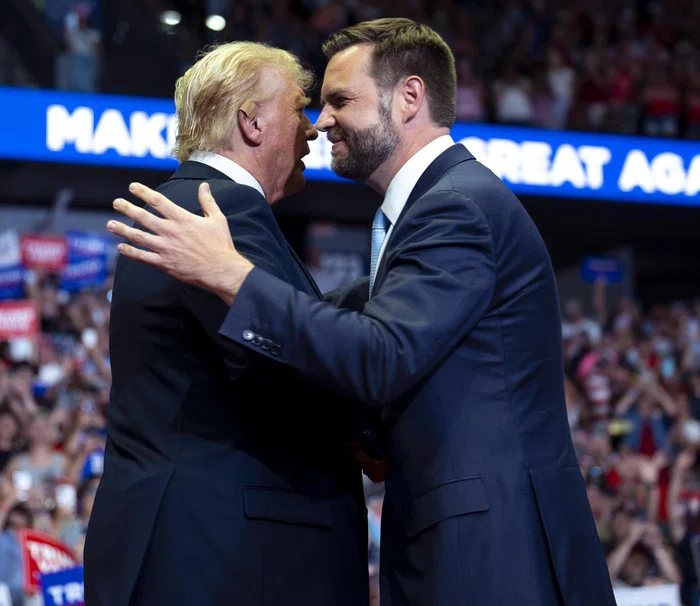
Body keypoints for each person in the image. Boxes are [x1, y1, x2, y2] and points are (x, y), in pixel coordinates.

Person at [107, 18, 617, 606]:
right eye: (311, 105)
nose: (320, 123)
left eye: (338, 101)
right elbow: (350, 337)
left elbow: (380, 351)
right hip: (458, 547)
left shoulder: (455, 208)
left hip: (493, 553)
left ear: (409, 98)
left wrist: (233, 276)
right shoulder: (432, 211)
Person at [84, 42, 373, 606]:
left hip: (194, 544)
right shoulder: (219, 210)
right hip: (225, 556)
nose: (312, 130)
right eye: (298, 108)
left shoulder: (197, 204)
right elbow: (290, 360)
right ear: (252, 121)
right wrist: (376, 434)